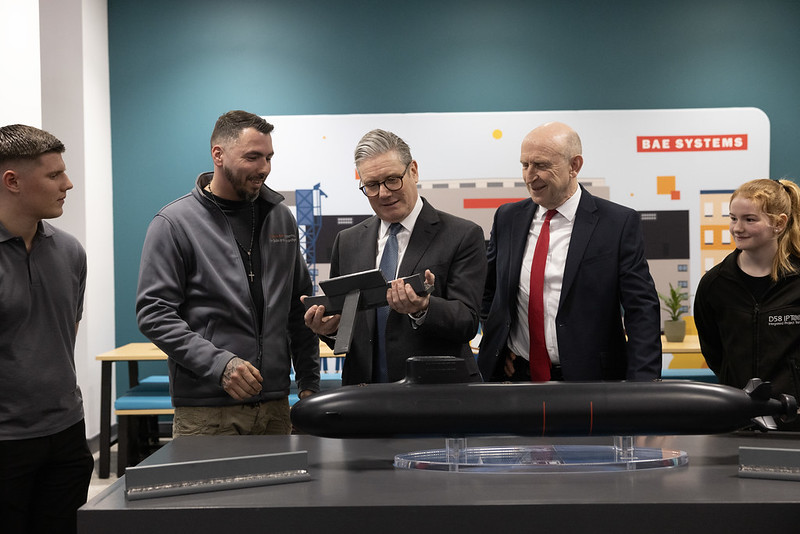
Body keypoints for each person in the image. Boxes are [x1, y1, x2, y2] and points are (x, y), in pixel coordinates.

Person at [136, 110, 319, 436]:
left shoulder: (280, 218)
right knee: (211, 490)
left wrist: (308, 386)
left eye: (268, 157)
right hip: (207, 412)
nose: (264, 167)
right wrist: (220, 365)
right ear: (218, 155)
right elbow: (154, 314)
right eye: (252, 157)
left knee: (280, 490)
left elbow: (299, 308)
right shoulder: (174, 223)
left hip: (276, 406)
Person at [478, 121, 661, 382]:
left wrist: (644, 384)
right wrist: (499, 341)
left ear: (574, 166)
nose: (530, 175)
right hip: (518, 378)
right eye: (524, 165)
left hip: (592, 383)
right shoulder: (507, 218)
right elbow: (489, 292)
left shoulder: (617, 224)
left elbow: (641, 309)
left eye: (541, 165)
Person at [303, 129, 486, 384]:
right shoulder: (347, 242)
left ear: (413, 171)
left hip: (436, 394)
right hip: (364, 395)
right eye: (372, 185)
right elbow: (347, 324)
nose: (384, 193)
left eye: (392, 179)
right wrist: (330, 330)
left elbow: (467, 320)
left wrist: (424, 308)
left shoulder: (463, 235)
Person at [0, 124, 94, 534]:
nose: (68, 184)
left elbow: (64, 335)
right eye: (54, 174)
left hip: (67, 436)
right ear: (12, 181)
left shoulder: (71, 251)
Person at [694, 178, 800, 429]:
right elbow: (714, 352)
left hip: (793, 417)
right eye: (733, 218)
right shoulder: (715, 284)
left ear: (779, 223)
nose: (737, 228)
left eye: (749, 219)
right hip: (736, 417)